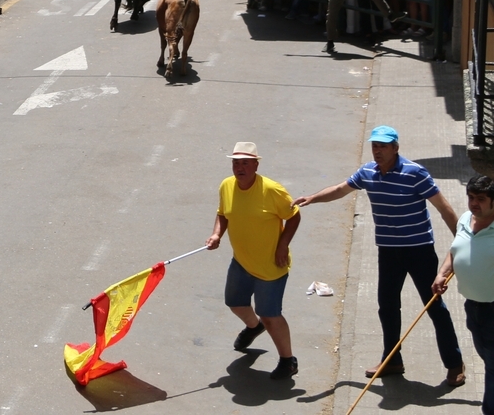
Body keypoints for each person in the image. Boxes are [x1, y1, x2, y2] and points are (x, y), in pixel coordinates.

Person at [295, 125, 465, 385]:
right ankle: (392, 360)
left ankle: (454, 364)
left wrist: (461, 244)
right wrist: (312, 199)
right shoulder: (367, 172)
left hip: (419, 250)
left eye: (383, 146)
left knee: (434, 308)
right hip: (388, 251)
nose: (378, 151)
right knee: (387, 307)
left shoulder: (415, 173)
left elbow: (444, 208)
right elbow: (341, 189)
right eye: (375, 146)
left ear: (396, 148)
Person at [205, 142, 301, 380]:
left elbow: (294, 216)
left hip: (270, 267)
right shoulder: (227, 186)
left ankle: (288, 361)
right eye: (236, 163)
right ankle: (253, 326)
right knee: (235, 303)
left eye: (245, 162)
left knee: (269, 315)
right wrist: (217, 234)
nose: (240, 167)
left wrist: (282, 245)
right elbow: (222, 213)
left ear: (256, 165)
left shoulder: (272, 190)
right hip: (241, 262)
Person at [433, 175, 494, 414]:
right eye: (470, 198)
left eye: (480, 199)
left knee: (492, 366)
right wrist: (443, 273)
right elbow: (455, 249)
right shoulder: (466, 220)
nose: (473, 203)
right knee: (487, 358)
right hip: (473, 307)